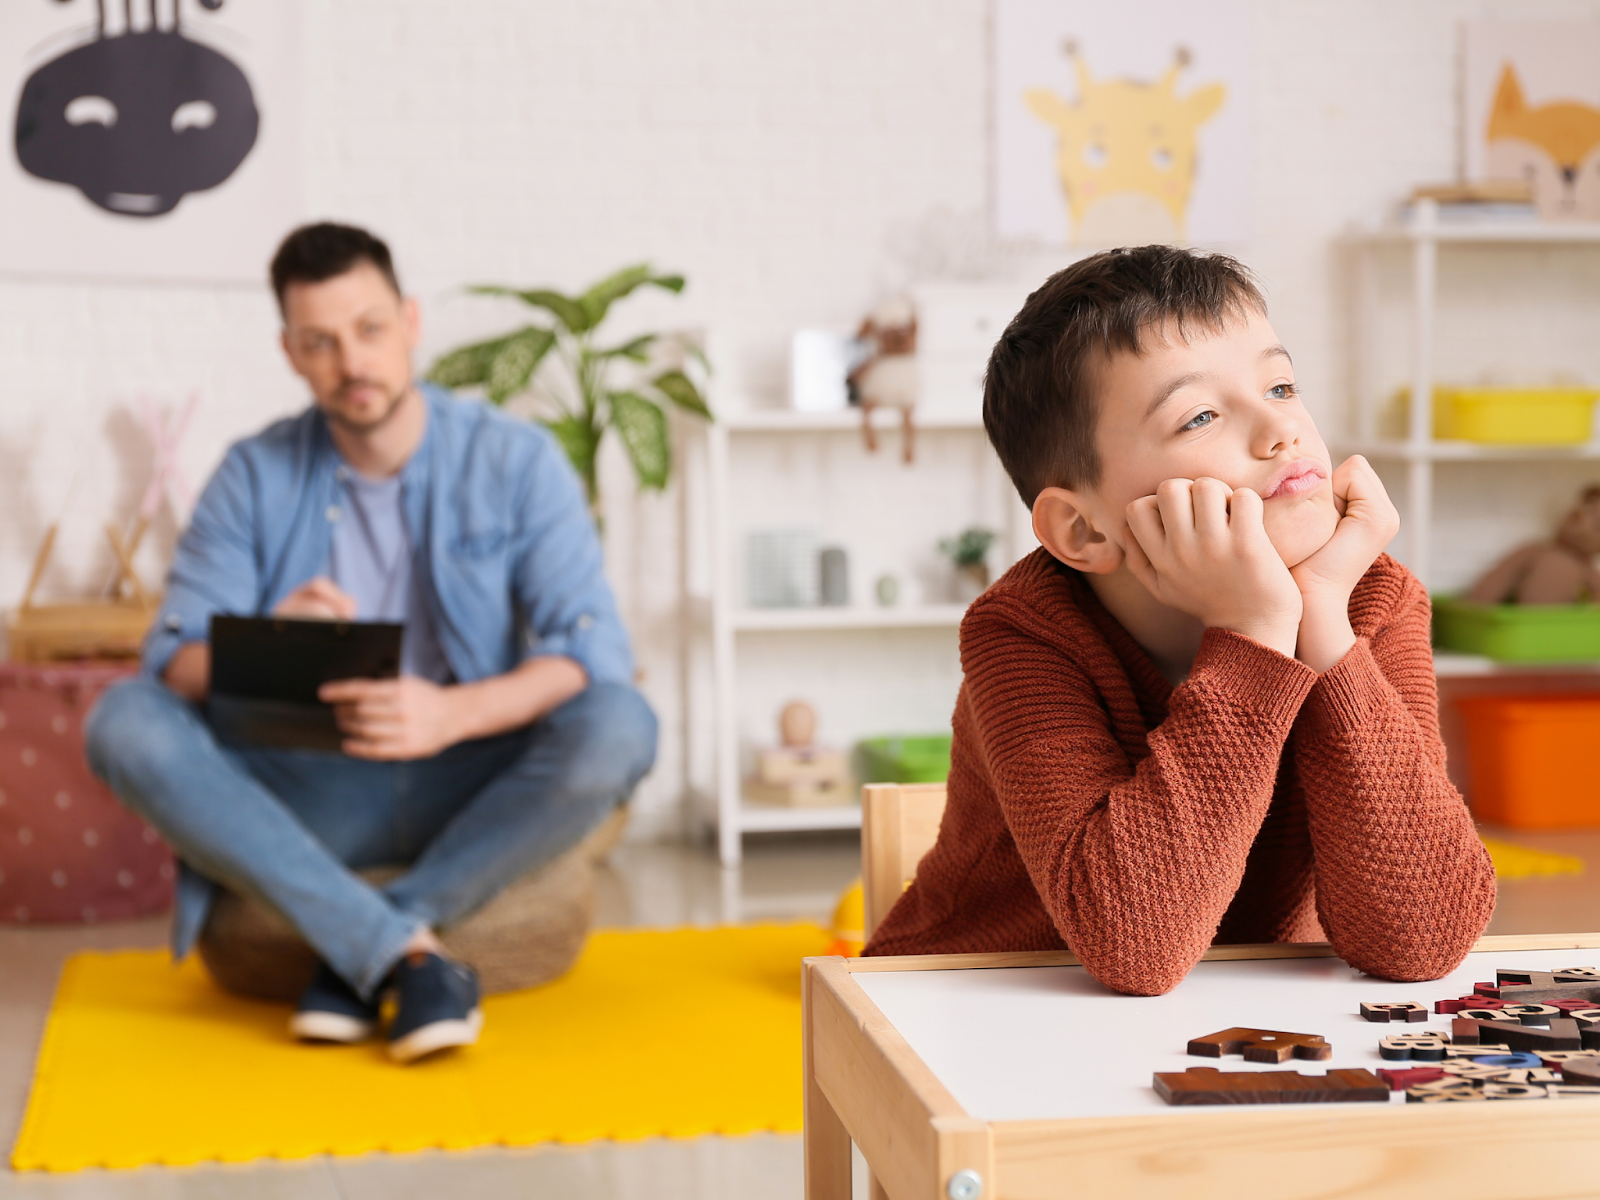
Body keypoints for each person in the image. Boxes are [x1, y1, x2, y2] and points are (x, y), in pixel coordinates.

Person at [86, 223, 658, 1061]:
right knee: (121, 719)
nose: (352, 363)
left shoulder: (518, 461)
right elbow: (173, 662)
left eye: (369, 330)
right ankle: (403, 956)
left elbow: (590, 648)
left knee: (622, 722)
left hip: (468, 777)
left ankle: (365, 946)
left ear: (411, 322)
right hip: (311, 785)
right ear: (290, 352)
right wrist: (272, 646)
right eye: (320, 342)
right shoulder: (252, 473)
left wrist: (453, 714)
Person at [863, 246, 1495, 994]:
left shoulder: (1369, 599)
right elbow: (1136, 949)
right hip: (966, 1003)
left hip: (1221, 1014)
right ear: (1084, 531)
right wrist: (1254, 634)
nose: (1280, 431)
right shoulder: (1024, 634)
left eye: (1282, 385)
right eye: (1199, 416)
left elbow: (1422, 941)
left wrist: (1322, 618)